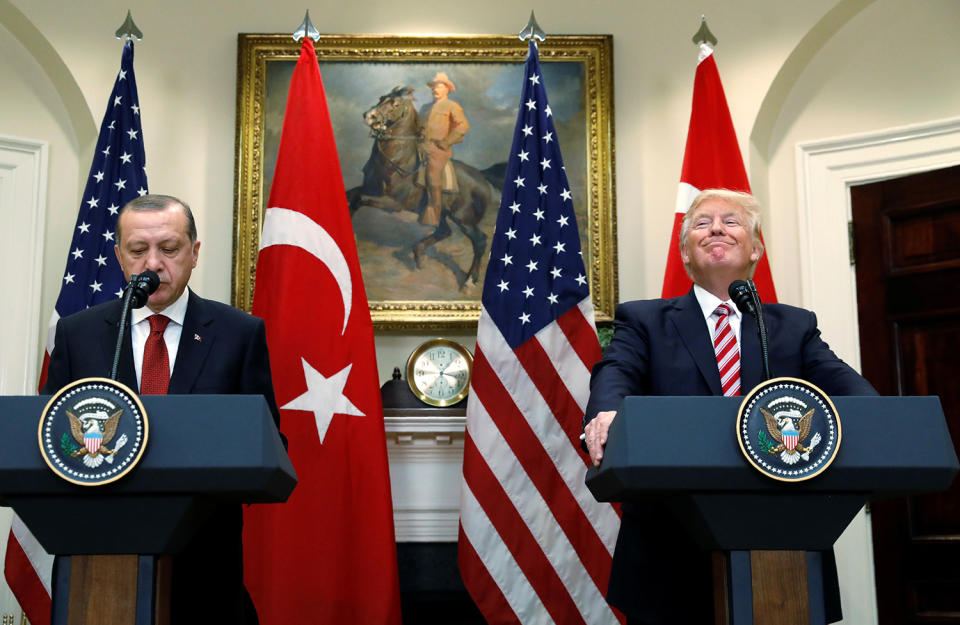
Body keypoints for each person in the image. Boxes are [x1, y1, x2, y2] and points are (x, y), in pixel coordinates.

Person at [583, 189, 877, 625]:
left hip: (783, 542)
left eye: (732, 221)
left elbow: (851, 392)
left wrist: (882, 423)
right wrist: (606, 411)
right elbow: (616, 370)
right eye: (702, 223)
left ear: (756, 248)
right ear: (685, 253)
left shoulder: (793, 326)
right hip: (671, 543)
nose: (716, 228)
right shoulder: (644, 320)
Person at [42, 194, 280, 625]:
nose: (152, 264)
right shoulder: (79, 335)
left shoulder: (238, 334)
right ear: (119, 256)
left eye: (168, 249)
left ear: (194, 253)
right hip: (97, 561)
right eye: (138, 250)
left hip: (204, 565)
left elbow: (269, 442)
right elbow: (47, 436)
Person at [418, 71, 469, 227]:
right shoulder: (425, 108)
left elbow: (463, 126)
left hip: (438, 149)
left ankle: (434, 214)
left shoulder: (452, 106)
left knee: (433, 176)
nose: (435, 90)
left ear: (447, 89)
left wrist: (447, 142)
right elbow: (419, 126)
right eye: (433, 87)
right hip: (420, 146)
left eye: (439, 86)